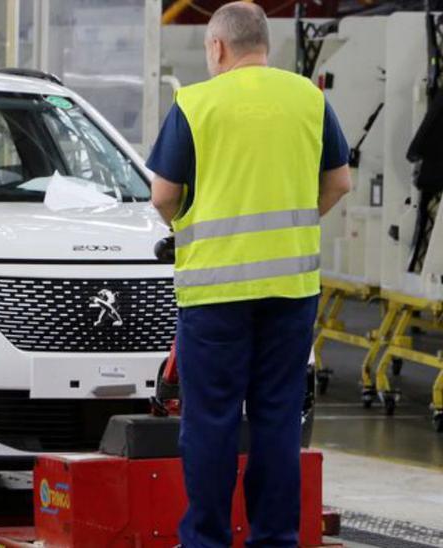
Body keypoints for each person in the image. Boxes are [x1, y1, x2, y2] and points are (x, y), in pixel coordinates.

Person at [147, 3, 352, 547]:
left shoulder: (196, 102)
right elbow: (339, 182)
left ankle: (207, 540)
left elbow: (164, 195)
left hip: (215, 291)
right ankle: (275, 539)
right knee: (277, 419)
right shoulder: (309, 99)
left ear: (217, 48)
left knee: (211, 421)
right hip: (291, 290)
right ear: (266, 45)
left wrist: (189, 227)